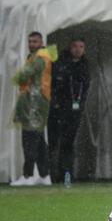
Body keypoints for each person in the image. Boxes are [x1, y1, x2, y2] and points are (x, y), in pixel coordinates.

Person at [11, 32, 55, 186]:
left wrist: (17, 77)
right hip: (37, 102)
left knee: (29, 139)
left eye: (34, 41)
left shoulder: (39, 58)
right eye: (30, 41)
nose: (31, 44)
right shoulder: (41, 56)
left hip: (34, 103)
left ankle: (28, 175)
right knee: (39, 140)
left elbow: (24, 75)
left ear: (41, 42)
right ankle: (44, 175)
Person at [47, 38, 90, 183]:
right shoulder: (60, 63)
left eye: (81, 47)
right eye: (75, 46)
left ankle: (67, 175)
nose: (78, 49)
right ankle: (51, 175)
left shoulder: (85, 66)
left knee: (68, 143)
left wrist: (79, 105)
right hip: (58, 109)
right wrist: (56, 104)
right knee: (53, 142)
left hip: (74, 111)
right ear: (69, 47)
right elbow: (53, 85)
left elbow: (84, 89)